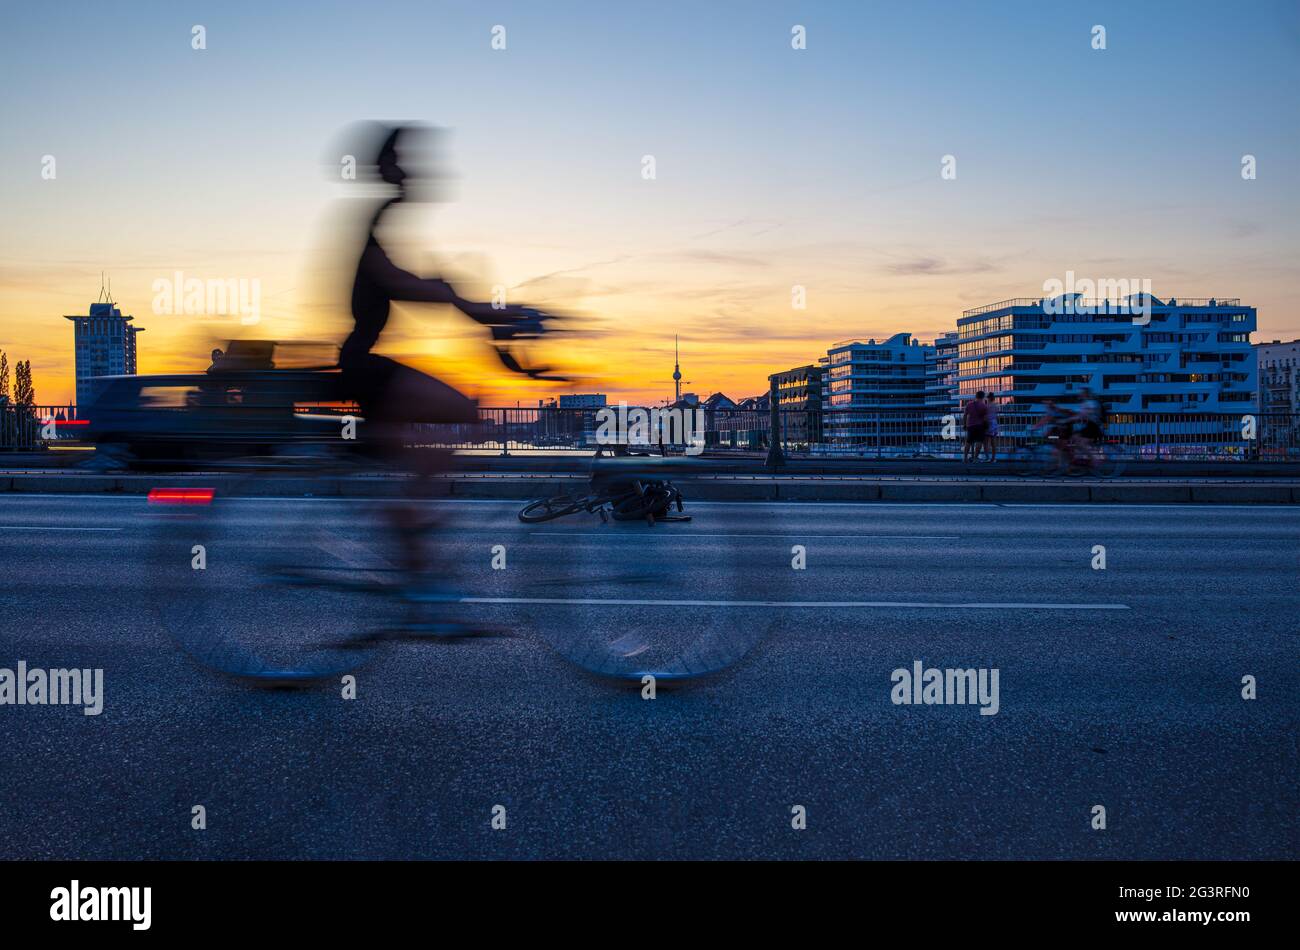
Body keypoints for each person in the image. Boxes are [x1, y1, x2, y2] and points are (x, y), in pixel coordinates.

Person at [338, 124, 557, 590]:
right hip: (363, 366)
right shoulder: (374, 225)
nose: (413, 171)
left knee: (415, 469)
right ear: (384, 166)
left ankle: (420, 590)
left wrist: (485, 313)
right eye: (402, 159)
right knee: (464, 413)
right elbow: (407, 284)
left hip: (362, 365)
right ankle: (409, 516)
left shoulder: (379, 222)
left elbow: (428, 289)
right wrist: (472, 303)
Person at [963, 391, 988, 462]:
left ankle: (965, 458)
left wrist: (964, 424)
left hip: (970, 425)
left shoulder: (969, 404)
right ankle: (975, 458)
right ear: (983, 397)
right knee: (979, 441)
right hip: (980, 426)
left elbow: (965, 415)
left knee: (968, 442)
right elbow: (985, 417)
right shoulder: (983, 406)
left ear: (976, 396)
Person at [983, 395, 1000, 462]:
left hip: (987, 423)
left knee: (985, 442)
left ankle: (987, 457)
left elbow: (984, 415)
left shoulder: (986, 406)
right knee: (993, 442)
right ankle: (993, 458)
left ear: (989, 398)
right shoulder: (996, 406)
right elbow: (996, 414)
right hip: (994, 423)